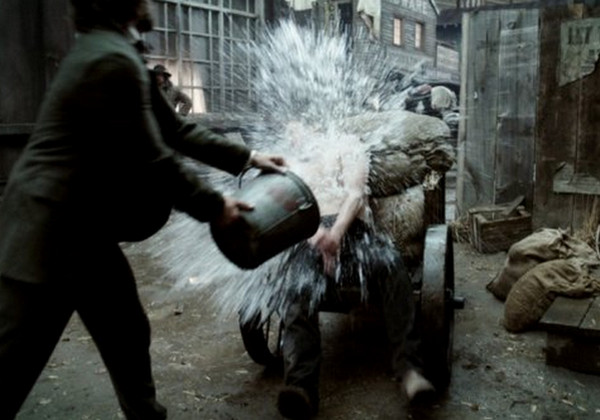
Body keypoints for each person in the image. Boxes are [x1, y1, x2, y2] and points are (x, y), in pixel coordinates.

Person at [0, 1, 286, 419]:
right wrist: (215, 206)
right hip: (48, 233)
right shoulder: (109, 59)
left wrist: (249, 156)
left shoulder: (116, 51)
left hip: (84, 232)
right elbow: (152, 157)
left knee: (127, 332)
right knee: (12, 364)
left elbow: (175, 128)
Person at [274, 123, 434, 420]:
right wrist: (315, 236)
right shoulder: (290, 162)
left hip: (352, 230)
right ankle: (301, 387)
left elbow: (356, 195)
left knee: (391, 265)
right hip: (310, 235)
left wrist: (335, 234)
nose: (290, 135)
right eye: (288, 130)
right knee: (297, 285)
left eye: (294, 127)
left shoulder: (346, 145)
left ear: (313, 123)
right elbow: (287, 207)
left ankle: (410, 370)